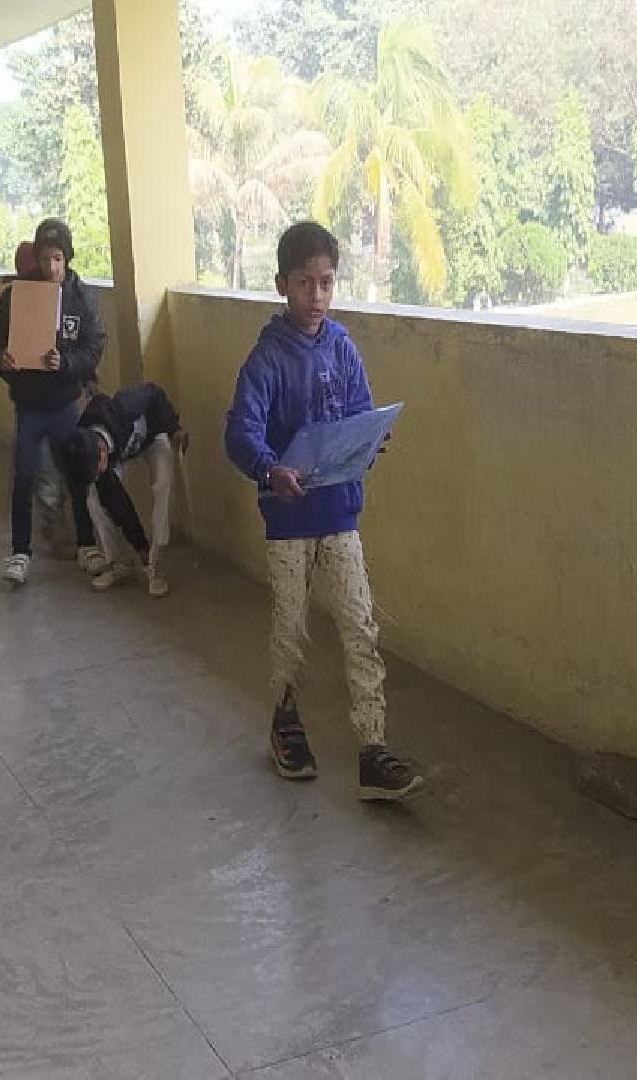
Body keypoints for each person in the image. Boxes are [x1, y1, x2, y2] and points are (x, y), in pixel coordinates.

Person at [224, 221, 421, 802]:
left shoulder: (343, 348)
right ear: (281, 284)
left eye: (327, 282)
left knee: (361, 625)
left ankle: (373, 748)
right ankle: (286, 724)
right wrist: (269, 470)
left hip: (339, 515)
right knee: (291, 627)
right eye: (304, 283)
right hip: (288, 522)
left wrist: (370, 441)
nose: (316, 295)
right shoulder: (266, 358)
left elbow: (360, 414)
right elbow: (240, 432)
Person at [0, 218, 106, 587]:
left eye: (58, 258)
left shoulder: (81, 298)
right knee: (24, 476)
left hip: (64, 404)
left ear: (67, 259)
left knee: (76, 473)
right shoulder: (17, 295)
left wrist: (66, 362)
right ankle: (20, 552)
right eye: (44, 259)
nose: (51, 267)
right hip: (29, 404)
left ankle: (87, 543)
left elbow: (93, 347)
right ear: (36, 259)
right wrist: (3, 359)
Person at [61, 382, 185, 598]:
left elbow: (153, 392)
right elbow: (119, 503)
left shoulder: (125, 407)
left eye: (95, 470)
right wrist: (140, 546)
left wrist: (174, 428)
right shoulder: (83, 445)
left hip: (152, 438)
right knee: (93, 498)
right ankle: (120, 563)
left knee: (163, 484)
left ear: (101, 450)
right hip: (119, 453)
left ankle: (156, 565)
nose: (96, 475)